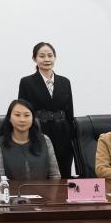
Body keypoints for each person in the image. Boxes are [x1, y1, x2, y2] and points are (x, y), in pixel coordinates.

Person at [18, 42, 75, 178]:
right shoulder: (26, 82)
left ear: (55, 57)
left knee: (64, 174)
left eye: (50, 55)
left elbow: (69, 111)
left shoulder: (65, 82)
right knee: (40, 174)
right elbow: (22, 111)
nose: (46, 59)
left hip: (63, 134)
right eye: (42, 56)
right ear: (34, 58)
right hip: (39, 132)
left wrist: (72, 135)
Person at [0, 99, 60, 180]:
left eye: (27, 115)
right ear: (9, 118)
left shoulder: (45, 140)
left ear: (32, 118)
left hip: (43, 188)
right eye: (17, 115)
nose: (22, 120)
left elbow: (55, 175)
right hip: (11, 188)